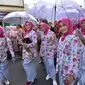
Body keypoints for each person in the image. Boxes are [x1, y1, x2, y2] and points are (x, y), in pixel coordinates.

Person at [56, 18, 79, 85]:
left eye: (64, 25)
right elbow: (59, 53)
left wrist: (70, 73)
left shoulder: (73, 38)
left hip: (68, 69)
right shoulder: (61, 37)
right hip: (61, 66)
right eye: (60, 26)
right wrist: (58, 67)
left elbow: (73, 56)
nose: (62, 28)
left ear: (69, 25)